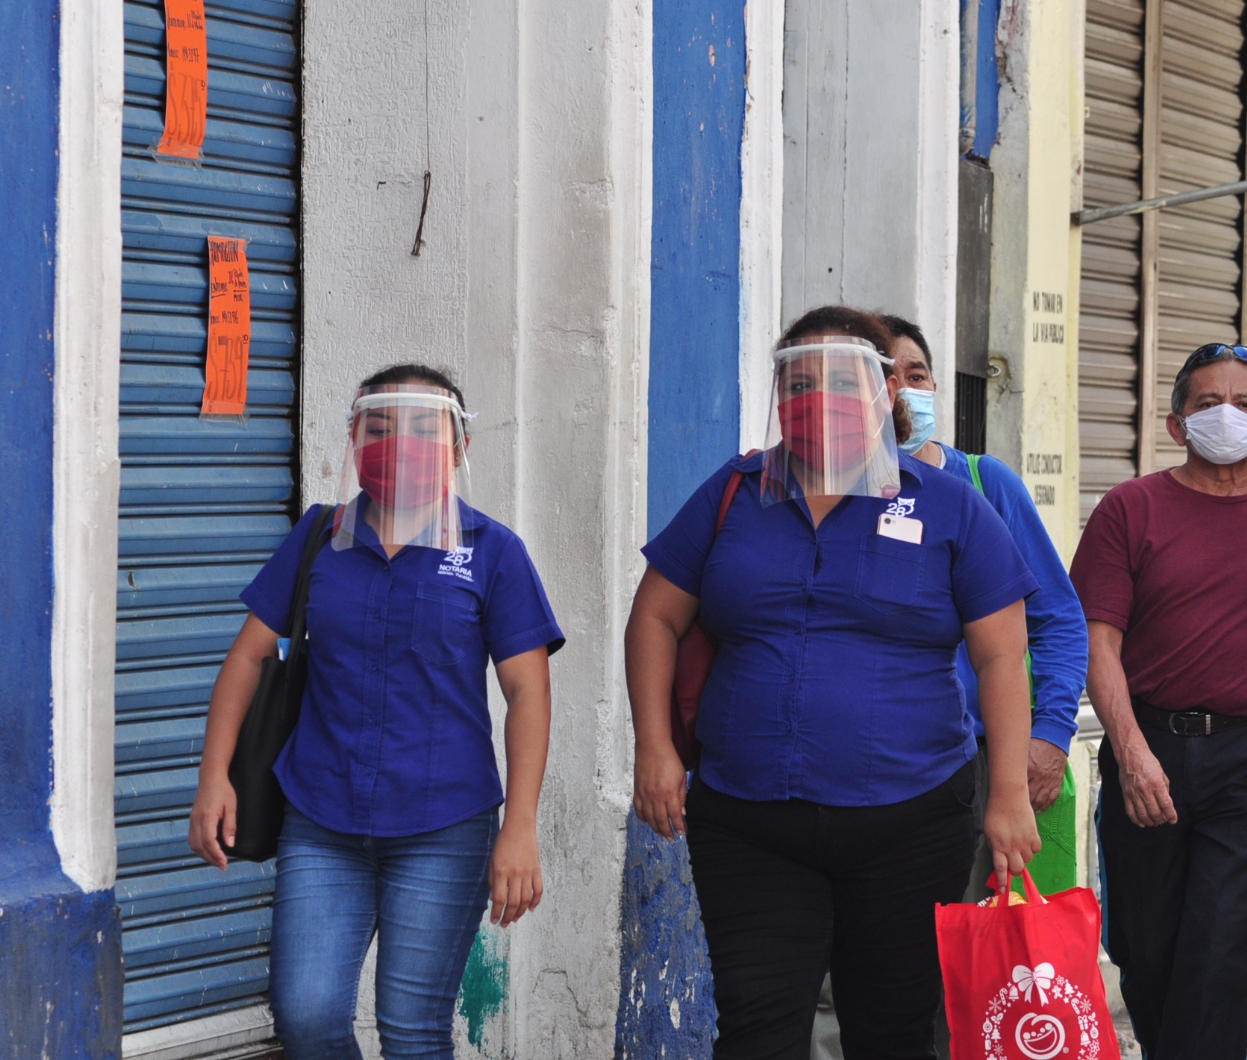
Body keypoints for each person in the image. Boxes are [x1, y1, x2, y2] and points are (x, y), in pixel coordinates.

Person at [627, 306, 1041, 1059]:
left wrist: (1008, 794)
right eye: (800, 380)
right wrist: (654, 748)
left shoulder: (950, 507)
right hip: (750, 821)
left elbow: (1002, 658)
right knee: (756, 1027)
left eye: (842, 381)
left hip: (911, 824)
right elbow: (654, 618)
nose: (819, 398)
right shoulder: (735, 494)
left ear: (886, 393)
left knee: (891, 1031)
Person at [188, 365, 565, 1060]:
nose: (401, 444)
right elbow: (247, 658)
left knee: (413, 1028)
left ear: (460, 445)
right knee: (305, 1018)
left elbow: (528, 692)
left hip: (445, 827)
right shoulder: (317, 539)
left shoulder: (493, 554)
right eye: (381, 428)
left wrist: (521, 827)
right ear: (355, 440)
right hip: (321, 818)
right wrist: (215, 776)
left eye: (425, 428)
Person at [1069, 343, 1247, 1059]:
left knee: (1220, 949)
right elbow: (1096, 642)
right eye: (1206, 402)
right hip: (1150, 746)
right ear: (1175, 423)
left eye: (1246, 403)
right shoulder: (1130, 510)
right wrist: (1130, 752)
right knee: (1148, 947)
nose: (1227, 414)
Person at [881, 313, 1088, 896]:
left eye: (917, 374)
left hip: (979, 762)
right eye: (887, 377)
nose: (905, 391)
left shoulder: (985, 484)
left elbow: (1060, 620)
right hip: (871, 765)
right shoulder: (827, 493)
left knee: (974, 952)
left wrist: (1047, 736)